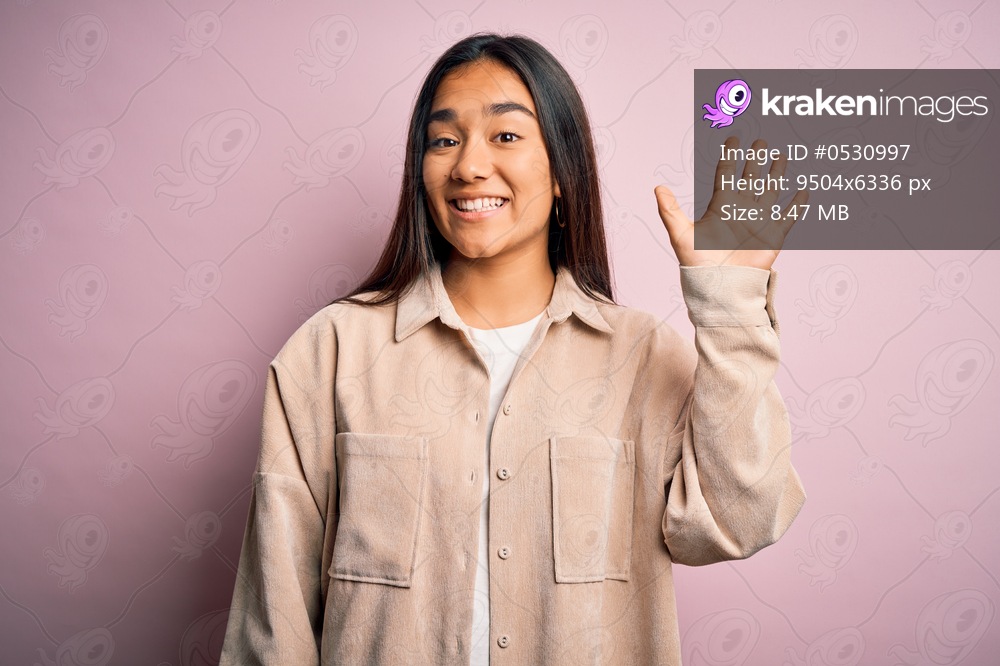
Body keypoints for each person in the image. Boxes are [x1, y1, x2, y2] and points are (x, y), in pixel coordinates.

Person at [220, 32, 806, 665]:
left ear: (562, 173)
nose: (469, 165)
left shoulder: (642, 357)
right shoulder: (329, 352)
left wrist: (729, 307)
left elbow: (737, 522)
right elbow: (272, 617)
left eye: (505, 136)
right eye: (444, 139)